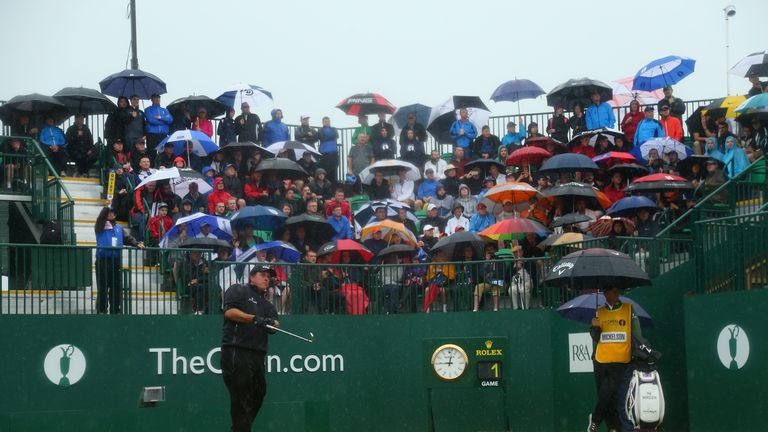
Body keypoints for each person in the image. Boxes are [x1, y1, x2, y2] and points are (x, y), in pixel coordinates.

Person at [221, 265, 280, 432]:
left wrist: (270, 324)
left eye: (269, 276)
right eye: (262, 274)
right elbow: (230, 312)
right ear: (251, 277)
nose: (267, 278)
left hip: (258, 355)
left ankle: (239, 429)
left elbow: (276, 324)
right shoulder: (239, 290)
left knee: (259, 393)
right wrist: (254, 318)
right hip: (236, 350)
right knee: (241, 398)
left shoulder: (267, 304)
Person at [587, 284, 642, 432]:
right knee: (605, 397)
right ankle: (613, 428)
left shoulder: (629, 310)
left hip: (620, 361)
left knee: (609, 394)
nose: (614, 294)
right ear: (605, 294)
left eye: (616, 291)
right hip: (600, 360)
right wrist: (594, 328)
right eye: (610, 291)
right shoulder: (599, 312)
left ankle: (595, 419)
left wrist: (636, 354)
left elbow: (637, 335)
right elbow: (597, 339)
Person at [94, 206, 144, 314]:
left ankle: (115, 310)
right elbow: (100, 219)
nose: (111, 214)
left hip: (115, 261)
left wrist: (137, 243)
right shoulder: (100, 226)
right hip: (102, 260)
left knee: (115, 287)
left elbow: (127, 238)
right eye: (109, 213)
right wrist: (106, 209)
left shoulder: (118, 227)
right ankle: (101, 310)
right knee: (102, 287)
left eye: (113, 213)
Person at [65, 113, 96, 178]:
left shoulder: (86, 129)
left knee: (93, 156)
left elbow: (90, 140)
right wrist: (77, 136)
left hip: (86, 149)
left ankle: (83, 171)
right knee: (80, 156)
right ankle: (81, 172)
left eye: (82, 119)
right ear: (76, 119)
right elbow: (68, 141)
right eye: (80, 118)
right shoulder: (71, 129)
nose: (81, 120)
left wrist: (90, 149)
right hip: (74, 150)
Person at [318, 116, 340, 184]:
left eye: (328, 121)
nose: (327, 123)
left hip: (333, 153)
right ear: (323, 122)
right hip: (324, 153)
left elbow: (336, 135)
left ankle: (334, 185)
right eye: (325, 121)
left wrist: (327, 136)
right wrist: (330, 136)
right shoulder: (320, 130)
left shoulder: (334, 129)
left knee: (334, 170)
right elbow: (321, 137)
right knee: (325, 171)